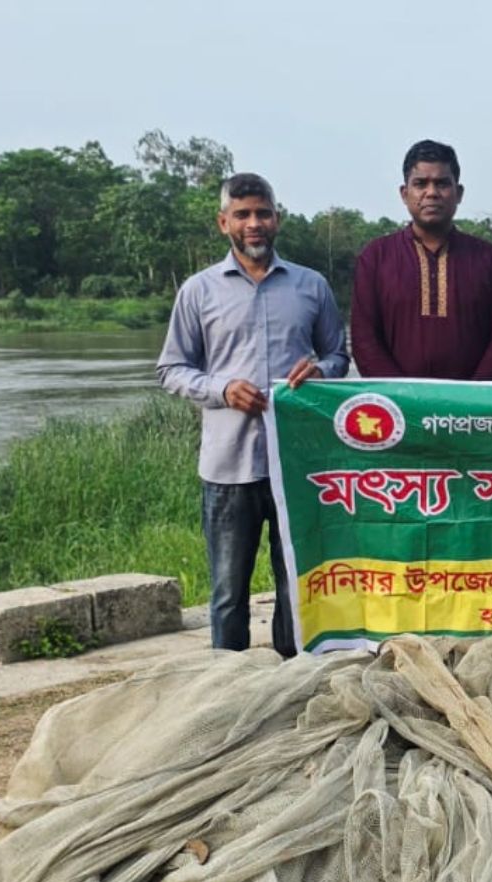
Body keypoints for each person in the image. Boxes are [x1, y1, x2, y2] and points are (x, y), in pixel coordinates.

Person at [156, 172, 349, 658]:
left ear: (277, 219)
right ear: (224, 223)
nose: (254, 223)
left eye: (262, 213)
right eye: (242, 215)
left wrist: (320, 373)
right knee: (227, 593)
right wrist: (221, 389)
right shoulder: (198, 291)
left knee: (296, 587)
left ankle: (291, 682)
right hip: (228, 466)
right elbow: (172, 369)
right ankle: (228, 688)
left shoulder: (311, 286)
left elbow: (338, 357)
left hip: (296, 466)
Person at [346, 139, 492, 381]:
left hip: (469, 410)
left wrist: (472, 398)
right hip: (399, 408)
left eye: (442, 184)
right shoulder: (376, 258)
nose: (431, 193)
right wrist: (400, 395)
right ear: (405, 193)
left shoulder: (489, 260)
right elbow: (364, 338)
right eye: (420, 184)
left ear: (458, 193)